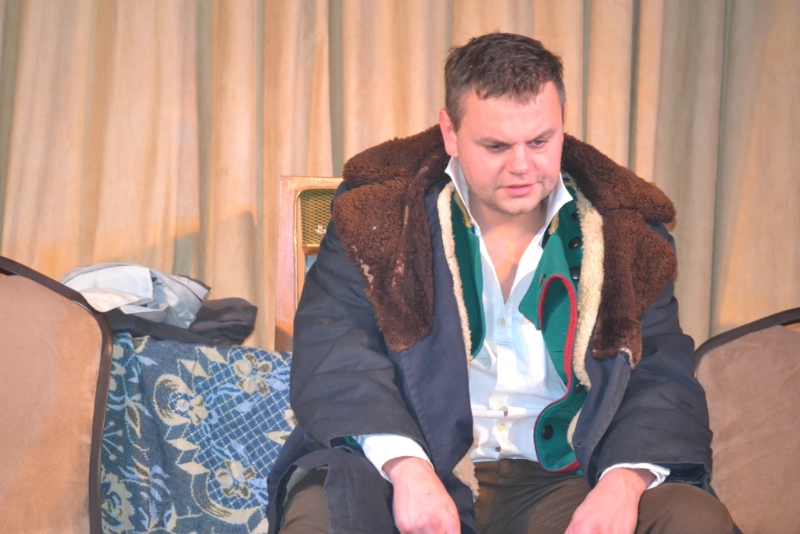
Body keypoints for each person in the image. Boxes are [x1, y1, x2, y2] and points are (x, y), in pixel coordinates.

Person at [266, 33, 734, 534]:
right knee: (322, 515)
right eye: (495, 146)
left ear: (563, 120)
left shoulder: (626, 229)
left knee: (693, 520)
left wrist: (624, 484)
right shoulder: (374, 214)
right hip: (418, 461)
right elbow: (336, 353)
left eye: (540, 141)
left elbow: (661, 373)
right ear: (450, 132)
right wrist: (406, 468)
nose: (521, 166)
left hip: (566, 479)